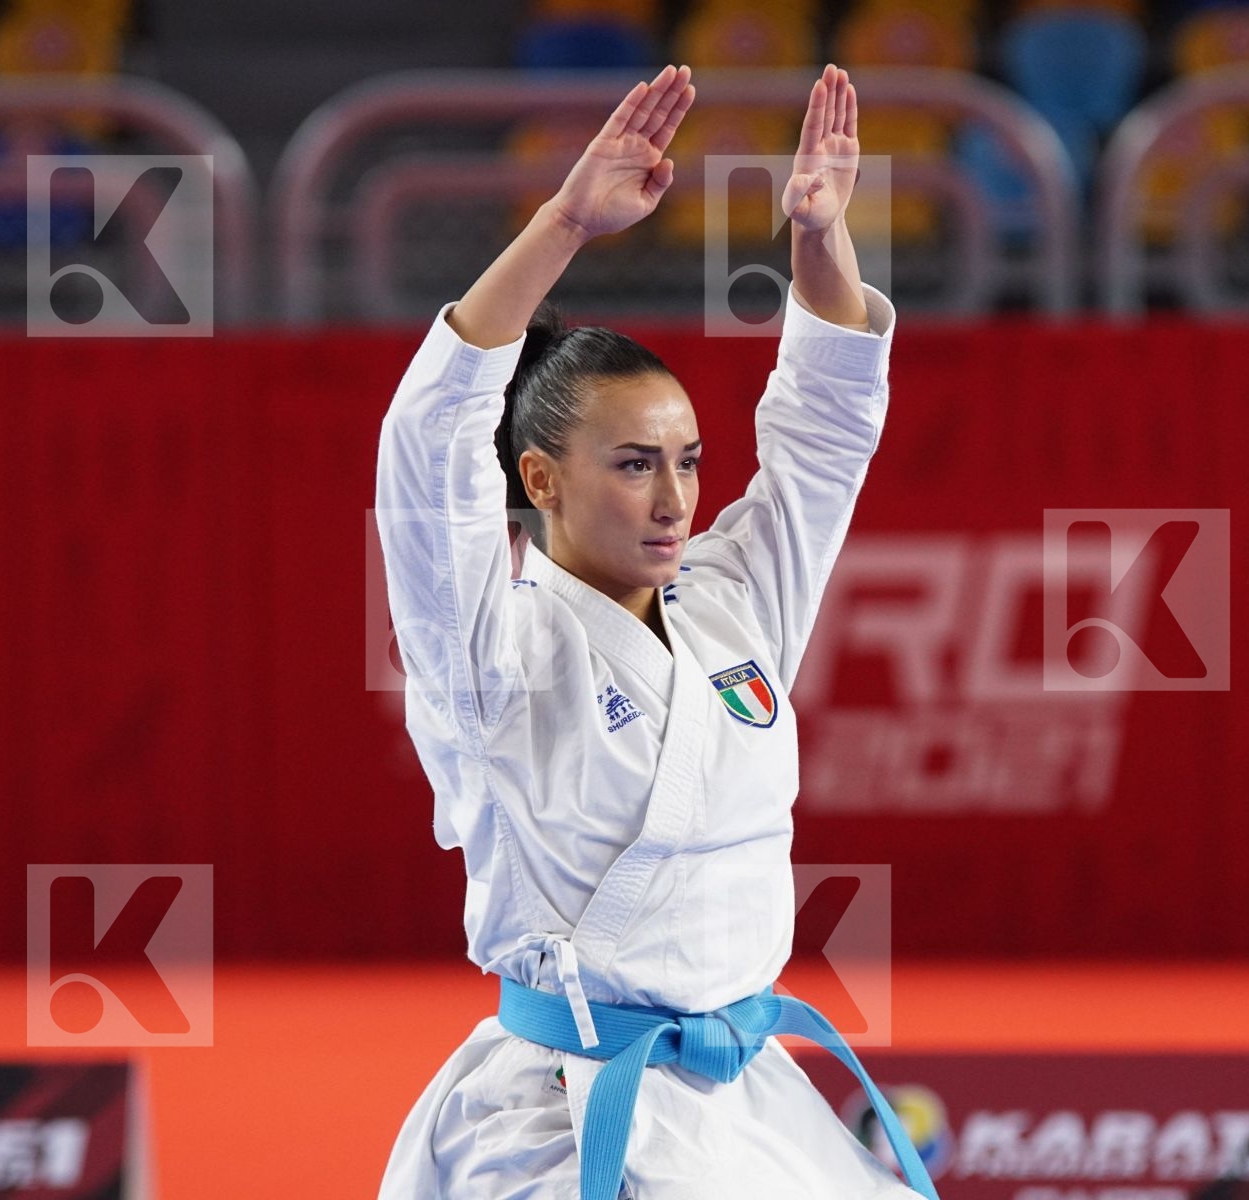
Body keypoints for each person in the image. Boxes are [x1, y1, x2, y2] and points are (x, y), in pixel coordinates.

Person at [372, 63, 936, 1199]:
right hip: (564, 1114)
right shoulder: (491, 651)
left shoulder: (733, 609)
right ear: (541, 478)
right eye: (634, 466)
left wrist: (820, 242)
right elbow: (428, 444)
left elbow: (823, 440)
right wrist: (566, 222)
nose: (675, 498)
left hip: (744, 1102)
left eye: (686, 461)